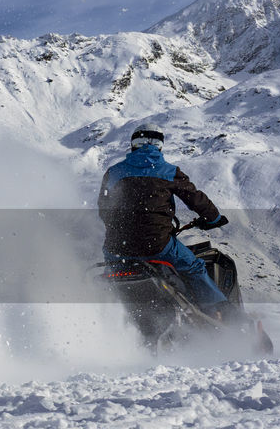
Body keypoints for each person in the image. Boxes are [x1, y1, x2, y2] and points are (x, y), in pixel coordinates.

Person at [98, 127, 230, 315]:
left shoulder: (113, 172)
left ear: (133, 145)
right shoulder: (169, 171)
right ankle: (223, 316)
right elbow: (196, 198)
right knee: (194, 267)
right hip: (157, 245)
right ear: (160, 145)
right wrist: (214, 218)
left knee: (111, 280)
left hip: (116, 248)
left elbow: (103, 209)